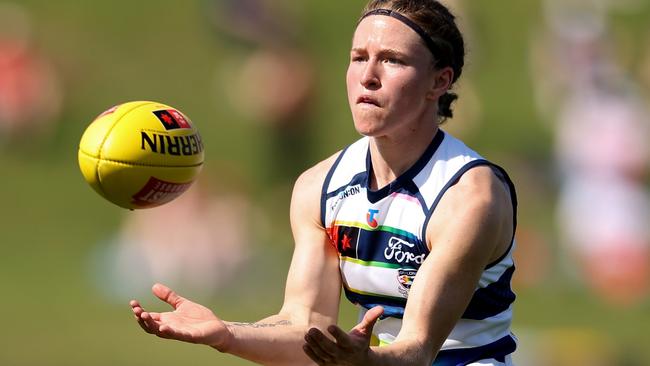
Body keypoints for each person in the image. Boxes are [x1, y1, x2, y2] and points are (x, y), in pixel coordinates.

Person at [130, 1, 518, 365]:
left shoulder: (468, 196)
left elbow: (416, 349)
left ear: (439, 82)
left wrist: (364, 360)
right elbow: (305, 323)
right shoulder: (320, 187)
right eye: (358, 58)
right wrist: (225, 334)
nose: (368, 76)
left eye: (392, 60)